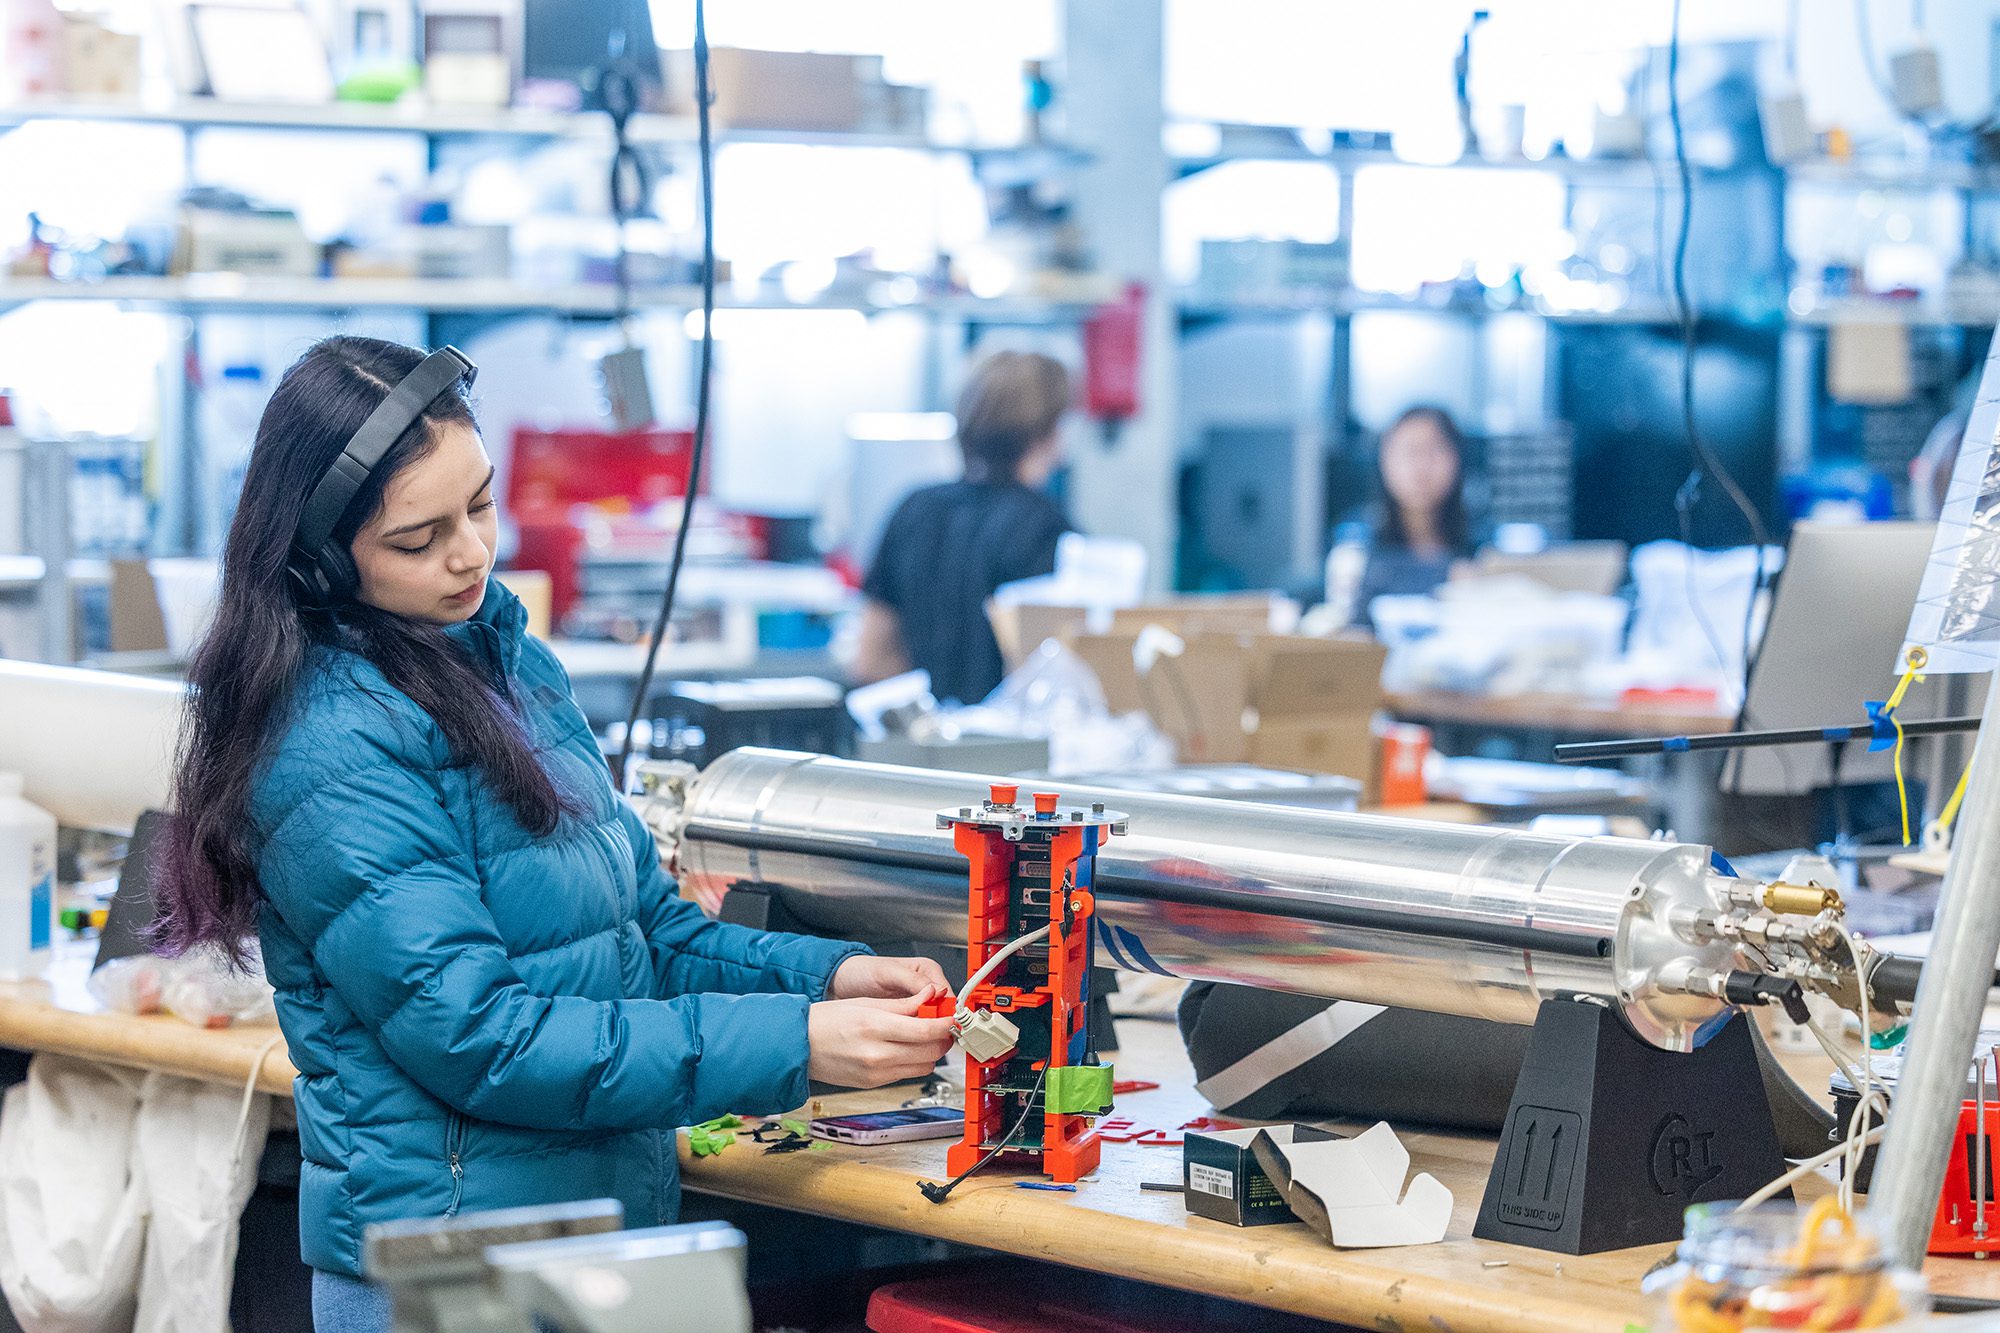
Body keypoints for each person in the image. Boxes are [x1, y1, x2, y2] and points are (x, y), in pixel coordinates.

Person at [152, 337, 956, 1333]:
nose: (470, 553)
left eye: (480, 504)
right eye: (418, 537)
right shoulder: (326, 743)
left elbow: (645, 927)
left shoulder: (503, 660)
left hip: (591, 1234)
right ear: (319, 558)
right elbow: (483, 1035)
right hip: (448, 1271)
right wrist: (795, 1042)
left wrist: (827, 978)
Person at [854, 350, 1073, 704]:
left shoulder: (914, 510)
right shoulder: (1048, 531)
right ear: (1046, 435)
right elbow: (1052, 677)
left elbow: (872, 659)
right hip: (1011, 752)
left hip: (919, 745)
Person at [1345, 405, 1476, 631]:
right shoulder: (1355, 540)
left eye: (1433, 451)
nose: (1421, 468)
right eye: (1409, 452)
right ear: (1384, 460)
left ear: (1457, 459)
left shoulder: (1481, 543)